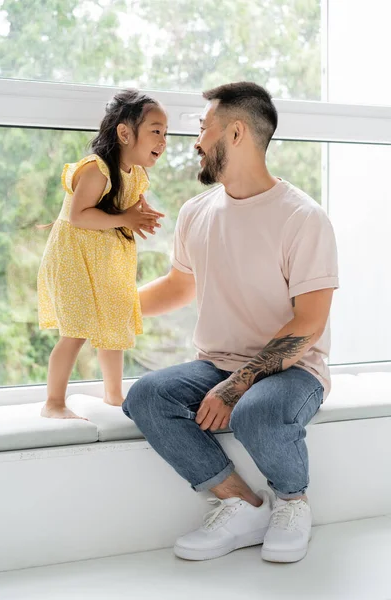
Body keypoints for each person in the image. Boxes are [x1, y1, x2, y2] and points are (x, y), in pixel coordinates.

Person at [123, 81, 338, 563]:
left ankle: (292, 502)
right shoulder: (196, 212)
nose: (196, 142)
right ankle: (242, 504)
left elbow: (309, 323)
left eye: (204, 129)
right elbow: (180, 287)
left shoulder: (303, 217)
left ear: (236, 133)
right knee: (147, 396)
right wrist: (113, 308)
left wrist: (236, 385)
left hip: (294, 369)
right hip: (216, 362)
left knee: (255, 413)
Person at [38, 89, 167, 419]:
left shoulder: (136, 173)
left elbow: (132, 200)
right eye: (155, 131)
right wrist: (126, 218)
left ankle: (114, 396)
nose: (163, 140)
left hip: (105, 261)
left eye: (165, 133)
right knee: (76, 331)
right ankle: (53, 403)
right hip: (73, 259)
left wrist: (142, 211)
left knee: (114, 325)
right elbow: (79, 215)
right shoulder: (97, 169)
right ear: (125, 133)